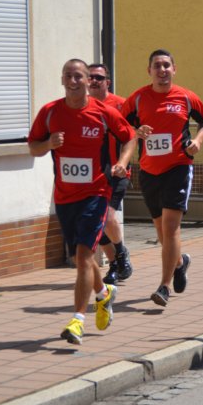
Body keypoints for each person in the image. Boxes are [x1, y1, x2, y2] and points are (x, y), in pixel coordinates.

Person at [28, 59, 137, 345]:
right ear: (62, 80)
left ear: (89, 81)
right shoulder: (50, 113)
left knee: (84, 257)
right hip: (65, 197)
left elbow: (130, 137)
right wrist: (48, 144)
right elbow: (33, 147)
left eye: (79, 76)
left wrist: (122, 163)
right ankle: (104, 294)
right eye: (68, 76)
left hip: (96, 193)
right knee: (81, 257)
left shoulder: (103, 112)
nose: (73, 81)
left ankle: (77, 320)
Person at [121, 49, 203, 306]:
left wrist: (198, 140)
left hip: (178, 167)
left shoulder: (186, 97)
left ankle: (164, 286)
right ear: (149, 71)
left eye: (166, 65)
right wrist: (136, 131)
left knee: (171, 229)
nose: (162, 70)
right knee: (162, 232)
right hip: (149, 171)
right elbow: (120, 125)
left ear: (174, 69)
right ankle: (180, 262)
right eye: (157, 66)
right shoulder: (138, 98)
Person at [88, 63, 133, 285]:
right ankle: (116, 263)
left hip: (117, 171)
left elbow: (133, 134)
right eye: (90, 77)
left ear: (108, 82)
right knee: (97, 222)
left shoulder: (121, 104)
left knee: (106, 216)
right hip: (92, 174)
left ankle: (121, 253)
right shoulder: (81, 106)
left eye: (98, 77)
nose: (94, 81)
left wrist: (124, 162)